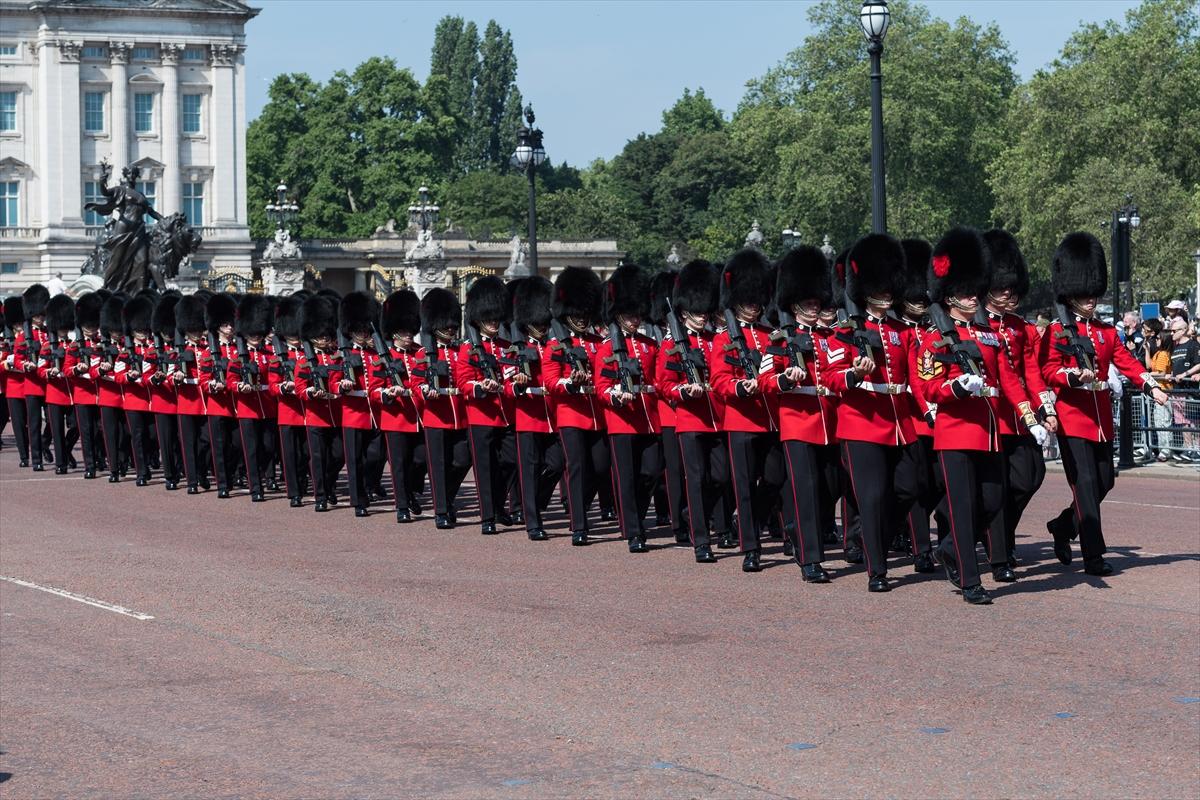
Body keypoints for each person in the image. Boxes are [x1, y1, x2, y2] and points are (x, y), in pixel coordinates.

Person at [917, 228, 1049, 605]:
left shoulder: (988, 334)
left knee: (991, 502)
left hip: (990, 431)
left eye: (975, 290)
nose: (973, 297)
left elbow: (1008, 376)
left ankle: (948, 546)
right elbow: (929, 385)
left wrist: (1030, 415)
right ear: (950, 296)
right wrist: (956, 389)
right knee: (963, 506)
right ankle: (971, 581)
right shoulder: (936, 337)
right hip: (956, 431)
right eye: (965, 292)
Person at [1041, 232, 1169, 576]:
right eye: (1085, 294)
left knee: (1104, 482)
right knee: (1084, 485)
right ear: (1070, 293)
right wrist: (1072, 376)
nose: (1092, 300)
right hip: (1072, 417)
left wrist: (1150, 385)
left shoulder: (1105, 332)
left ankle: (1064, 526)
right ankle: (1093, 557)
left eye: (1094, 293)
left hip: (1100, 419)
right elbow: (1048, 369)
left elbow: (1127, 361)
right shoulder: (1057, 331)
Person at [820, 235, 921, 592]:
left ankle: (870, 536)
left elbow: (914, 378)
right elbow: (831, 377)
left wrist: (929, 409)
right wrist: (856, 373)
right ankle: (877, 570)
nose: (887, 292)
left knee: (910, 486)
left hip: (899, 421)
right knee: (873, 496)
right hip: (861, 421)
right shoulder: (845, 332)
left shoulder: (901, 332)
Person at [981, 229, 1059, 572]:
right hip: (990, 415)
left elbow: (1031, 372)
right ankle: (1000, 555)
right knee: (996, 488)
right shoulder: (976, 325)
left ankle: (999, 536)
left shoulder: (1019, 327)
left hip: (1019, 417)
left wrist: (1045, 409)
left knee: (1030, 476)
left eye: (1012, 287)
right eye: (1001, 287)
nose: (1009, 293)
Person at [708, 248, 784, 573]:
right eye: (748, 302)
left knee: (775, 478)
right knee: (743, 484)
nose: (754, 307)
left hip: (770, 419)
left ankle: (748, 520)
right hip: (740, 419)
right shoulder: (724, 338)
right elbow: (718, 379)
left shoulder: (770, 335)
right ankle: (751, 548)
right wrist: (740, 387)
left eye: (757, 301)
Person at [769, 245, 842, 582]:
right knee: (807, 489)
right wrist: (785, 379)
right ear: (795, 304)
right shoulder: (780, 338)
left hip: (829, 422)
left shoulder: (830, 337)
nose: (815, 309)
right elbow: (766, 378)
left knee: (829, 488)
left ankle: (797, 527)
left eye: (817, 303)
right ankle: (811, 559)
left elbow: (839, 371)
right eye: (809, 304)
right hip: (797, 422)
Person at [657, 259, 727, 564]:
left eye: (704, 311)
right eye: (696, 312)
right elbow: (663, 384)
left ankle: (690, 511)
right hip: (689, 419)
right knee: (696, 479)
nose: (702, 317)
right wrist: (683, 391)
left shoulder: (717, 341)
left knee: (723, 477)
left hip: (718, 417)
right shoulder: (672, 344)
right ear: (684, 312)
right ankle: (702, 541)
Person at [593, 264, 661, 554]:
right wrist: (615, 395)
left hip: (648, 418)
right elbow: (601, 385)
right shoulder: (607, 348)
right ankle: (634, 531)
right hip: (622, 419)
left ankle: (634, 515)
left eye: (637, 314)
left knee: (651, 471)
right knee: (627, 476)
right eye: (630, 315)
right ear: (618, 314)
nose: (635, 320)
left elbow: (658, 378)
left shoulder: (649, 345)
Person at [542, 267, 611, 546]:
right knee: (578, 466)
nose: (582, 319)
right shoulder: (556, 345)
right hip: (570, 415)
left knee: (601, 466)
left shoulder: (599, 344)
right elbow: (550, 380)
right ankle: (579, 525)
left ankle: (577, 505)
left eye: (585, 314)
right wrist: (570, 383)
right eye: (577, 314)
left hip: (598, 414)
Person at [453, 276, 518, 535]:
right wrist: (481, 387)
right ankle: (488, 516)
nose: (493, 323)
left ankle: (499, 505)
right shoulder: (468, 349)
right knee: (484, 467)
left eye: (495, 318)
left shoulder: (506, 347)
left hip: (506, 415)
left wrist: (515, 383)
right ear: (478, 319)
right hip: (481, 415)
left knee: (511, 462)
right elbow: (463, 383)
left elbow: (512, 379)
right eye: (488, 318)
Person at [506, 277, 564, 542]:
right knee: (529, 469)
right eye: (537, 323)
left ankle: (534, 504)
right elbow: (507, 385)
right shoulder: (515, 349)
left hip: (553, 415)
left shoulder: (555, 346)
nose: (542, 327)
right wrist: (517, 383)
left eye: (544, 322)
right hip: (529, 417)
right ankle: (533, 522)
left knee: (557, 462)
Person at [410, 288, 471, 529]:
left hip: (460, 416)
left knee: (462, 460)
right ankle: (441, 511)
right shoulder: (424, 354)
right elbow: (416, 382)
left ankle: (447, 498)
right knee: (438, 465)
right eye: (447, 326)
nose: (451, 330)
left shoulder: (462, 351)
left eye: (453, 326)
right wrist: (425, 390)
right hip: (436, 416)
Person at [372, 289, 424, 523]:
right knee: (399, 464)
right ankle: (402, 505)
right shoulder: (382, 358)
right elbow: (374, 388)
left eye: (411, 331)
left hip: (419, 416)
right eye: (404, 332)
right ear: (394, 333)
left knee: (420, 460)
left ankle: (411, 492)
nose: (409, 336)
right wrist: (388, 392)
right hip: (395, 418)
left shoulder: (420, 354)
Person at [336, 291, 383, 518]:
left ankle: (369, 486)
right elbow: (334, 381)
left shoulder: (377, 353)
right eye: (359, 331)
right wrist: (342, 384)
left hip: (374, 411)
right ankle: (359, 501)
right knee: (354, 459)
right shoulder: (342, 354)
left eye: (366, 330)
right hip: (353, 412)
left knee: (375, 455)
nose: (364, 334)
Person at [228, 294, 276, 503]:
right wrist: (241, 386)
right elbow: (231, 379)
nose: (256, 337)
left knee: (268, 447)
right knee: (251, 448)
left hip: (267, 406)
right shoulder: (239, 355)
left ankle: (261, 475)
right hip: (247, 407)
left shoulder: (269, 353)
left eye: (259, 333)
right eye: (252, 333)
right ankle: (255, 487)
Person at [13, 284, 50, 471]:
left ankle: (44, 443)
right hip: (33, 385)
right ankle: (36, 459)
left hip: (50, 384)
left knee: (52, 422)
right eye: (38, 315)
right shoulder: (23, 337)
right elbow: (18, 360)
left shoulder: (49, 334)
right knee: (34, 424)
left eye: (42, 315)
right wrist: (25, 365)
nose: (41, 318)